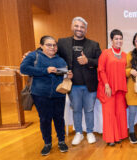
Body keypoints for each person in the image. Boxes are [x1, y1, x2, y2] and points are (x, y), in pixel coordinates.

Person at [20, 36, 73, 156]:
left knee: (59, 119)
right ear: (41, 45)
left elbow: (64, 75)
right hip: (40, 94)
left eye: (54, 45)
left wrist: (68, 75)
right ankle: (47, 143)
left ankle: (61, 141)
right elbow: (23, 68)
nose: (53, 47)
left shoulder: (60, 60)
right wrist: (45, 70)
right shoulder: (34, 56)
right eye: (49, 45)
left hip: (59, 94)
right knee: (45, 119)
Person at [57, 17, 101, 145]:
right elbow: (55, 58)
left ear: (86, 30)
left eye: (82, 27)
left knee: (89, 110)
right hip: (73, 85)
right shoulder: (62, 43)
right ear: (72, 27)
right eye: (77, 26)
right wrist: (64, 72)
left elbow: (100, 61)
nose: (79, 29)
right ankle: (78, 133)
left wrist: (88, 61)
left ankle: (90, 132)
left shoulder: (94, 44)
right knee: (76, 109)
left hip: (89, 85)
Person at [97, 29, 128, 146]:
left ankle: (118, 136)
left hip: (121, 89)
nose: (119, 41)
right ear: (111, 40)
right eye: (116, 38)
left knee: (120, 113)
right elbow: (101, 70)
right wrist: (106, 84)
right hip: (108, 88)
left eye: (120, 38)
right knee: (109, 113)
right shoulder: (105, 53)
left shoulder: (125, 55)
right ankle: (110, 138)